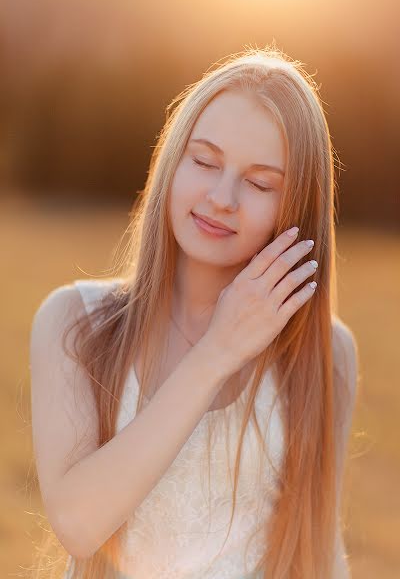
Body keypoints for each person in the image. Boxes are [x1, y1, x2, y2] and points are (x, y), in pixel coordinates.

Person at [30, 46, 359, 578]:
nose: (221, 197)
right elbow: (77, 523)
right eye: (204, 161)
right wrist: (217, 351)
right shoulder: (74, 324)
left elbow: (320, 552)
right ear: (172, 163)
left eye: (259, 184)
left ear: (297, 210)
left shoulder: (328, 354)